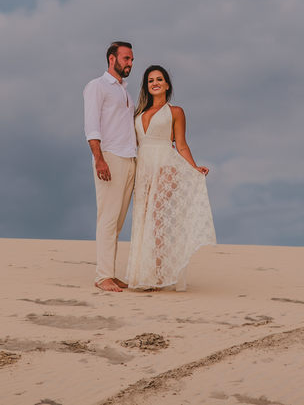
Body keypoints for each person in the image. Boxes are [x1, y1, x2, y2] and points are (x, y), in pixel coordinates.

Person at [125, 64, 216, 291]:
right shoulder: (138, 113)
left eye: (159, 79)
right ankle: (142, 274)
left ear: (167, 84)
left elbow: (181, 145)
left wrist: (194, 168)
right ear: (147, 86)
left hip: (166, 165)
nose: (155, 83)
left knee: (157, 222)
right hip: (143, 168)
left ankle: (158, 275)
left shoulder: (175, 112)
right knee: (142, 218)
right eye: (150, 80)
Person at [83, 41, 137, 292]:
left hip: (129, 159)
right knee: (107, 218)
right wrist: (99, 159)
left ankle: (110, 273)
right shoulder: (97, 86)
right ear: (112, 59)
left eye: (132, 59)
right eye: (126, 58)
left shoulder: (125, 91)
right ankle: (102, 276)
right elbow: (92, 125)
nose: (130, 63)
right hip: (110, 157)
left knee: (117, 222)